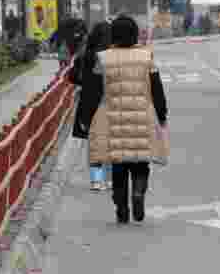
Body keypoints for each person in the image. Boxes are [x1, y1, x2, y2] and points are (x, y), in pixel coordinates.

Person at [78, 15, 168, 224]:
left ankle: (121, 207)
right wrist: (162, 114)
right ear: (135, 34)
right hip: (142, 117)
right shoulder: (147, 57)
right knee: (140, 163)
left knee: (118, 166)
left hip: (113, 119)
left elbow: (93, 91)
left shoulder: (104, 58)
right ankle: (138, 191)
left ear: (114, 35)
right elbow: (157, 88)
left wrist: (88, 116)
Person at [72, 21, 113, 191]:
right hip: (112, 104)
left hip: (89, 105)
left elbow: (73, 77)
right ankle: (111, 180)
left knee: (94, 142)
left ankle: (96, 180)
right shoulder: (115, 55)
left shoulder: (85, 55)